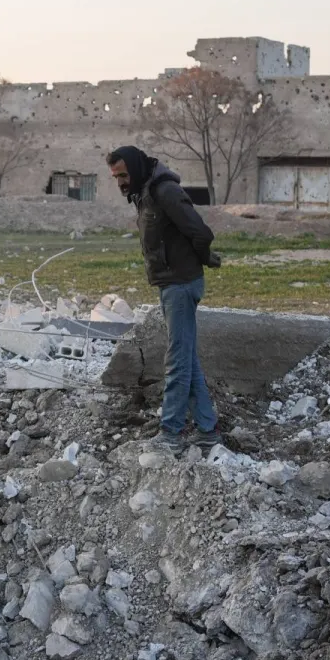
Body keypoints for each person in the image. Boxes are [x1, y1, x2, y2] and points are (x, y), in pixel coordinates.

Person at [106, 145, 222, 452]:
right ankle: (208, 430)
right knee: (187, 359)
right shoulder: (144, 192)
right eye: (115, 177)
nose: (120, 182)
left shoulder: (164, 190)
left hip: (181, 285)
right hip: (172, 284)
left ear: (135, 168)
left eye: (123, 175)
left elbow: (200, 231)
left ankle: (171, 434)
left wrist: (200, 259)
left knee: (177, 362)